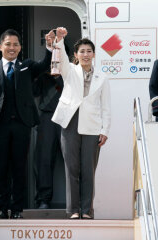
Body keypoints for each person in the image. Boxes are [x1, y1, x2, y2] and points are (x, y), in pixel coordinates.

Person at [0, 29, 54, 219]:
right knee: (0, 168)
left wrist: (50, 46)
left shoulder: (26, 66)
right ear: (0, 46)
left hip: (22, 124)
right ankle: (1, 209)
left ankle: (17, 209)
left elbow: (45, 65)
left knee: (20, 167)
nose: (12, 48)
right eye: (8, 44)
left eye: (15, 45)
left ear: (20, 47)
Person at [51, 27, 111, 219]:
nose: (86, 54)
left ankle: (87, 210)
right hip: (70, 122)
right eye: (82, 51)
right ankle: (73, 210)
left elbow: (106, 107)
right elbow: (60, 60)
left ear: (94, 54)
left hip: (93, 125)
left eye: (89, 51)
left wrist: (105, 130)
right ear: (76, 55)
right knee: (72, 169)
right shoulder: (70, 71)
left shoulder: (103, 78)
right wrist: (59, 40)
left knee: (88, 170)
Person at [33, 72, 64, 209]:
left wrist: (59, 77)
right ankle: (43, 199)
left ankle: (78, 201)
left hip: (68, 117)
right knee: (44, 159)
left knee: (73, 161)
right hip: (47, 116)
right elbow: (33, 92)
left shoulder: (72, 72)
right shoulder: (43, 74)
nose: (54, 61)